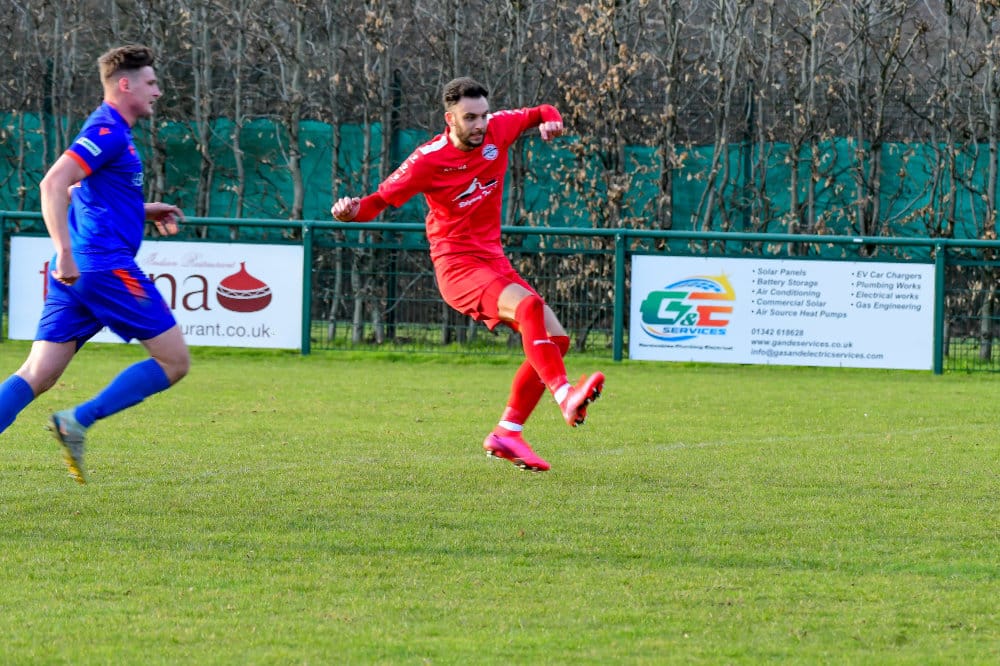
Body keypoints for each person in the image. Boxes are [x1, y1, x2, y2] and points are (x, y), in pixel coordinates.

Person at [332, 76, 604, 472]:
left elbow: (540, 111)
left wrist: (552, 119)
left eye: (483, 115)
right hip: (457, 266)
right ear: (450, 119)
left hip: (493, 260)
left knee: (556, 340)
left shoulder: (498, 129)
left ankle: (508, 433)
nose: (479, 125)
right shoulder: (427, 160)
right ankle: (564, 395)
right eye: (470, 118)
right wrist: (350, 212)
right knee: (528, 306)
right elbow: (376, 203)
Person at [0, 45, 190, 484]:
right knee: (174, 362)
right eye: (150, 83)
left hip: (82, 271)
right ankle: (77, 421)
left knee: (37, 373)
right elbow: (54, 183)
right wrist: (65, 251)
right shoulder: (107, 131)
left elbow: (81, 192)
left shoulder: (113, 132)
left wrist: (144, 210)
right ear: (125, 85)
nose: (157, 91)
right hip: (103, 266)